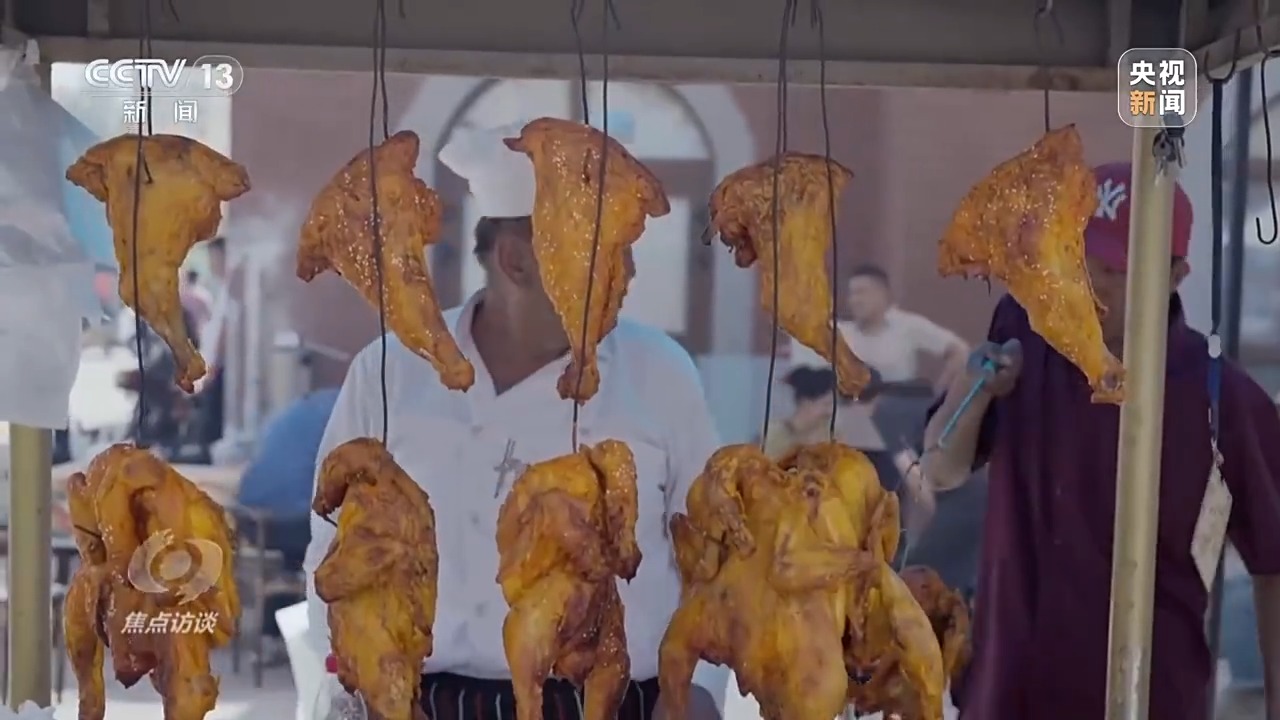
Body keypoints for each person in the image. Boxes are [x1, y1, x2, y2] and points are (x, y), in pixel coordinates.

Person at [304, 124, 729, 720]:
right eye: (608, 251)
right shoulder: (390, 370)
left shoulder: (660, 372)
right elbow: (330, 547)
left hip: (613, 703)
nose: (629, 272)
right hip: (427, 705)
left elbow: (713, 548)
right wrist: (364, 685)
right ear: (518, 261)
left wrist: (697, 689)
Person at [919, 162, 1280, 720]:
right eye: (1077, 260)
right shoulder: (1024, 332)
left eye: (1115, 267)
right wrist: (975, 386)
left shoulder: (1219, 395)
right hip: (1005, 694)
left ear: (1175, 274)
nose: (1092, 283)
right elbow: (940, 470)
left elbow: (1274, 560)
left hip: (1147, 699)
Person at [236, 386, 339, 657]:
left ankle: (273, 633)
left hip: (251, 518)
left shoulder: (299, 408)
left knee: (297, 554)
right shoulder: (348, 416)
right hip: (292, 520)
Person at [789, 263, 969, 391]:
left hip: (898, 407)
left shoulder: (907, 326)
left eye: (862, 292)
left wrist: (938, 395)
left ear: (883, 294)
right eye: (852, 294)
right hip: (852, 409)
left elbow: (960, 351)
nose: (855, 300)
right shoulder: (841, 332)